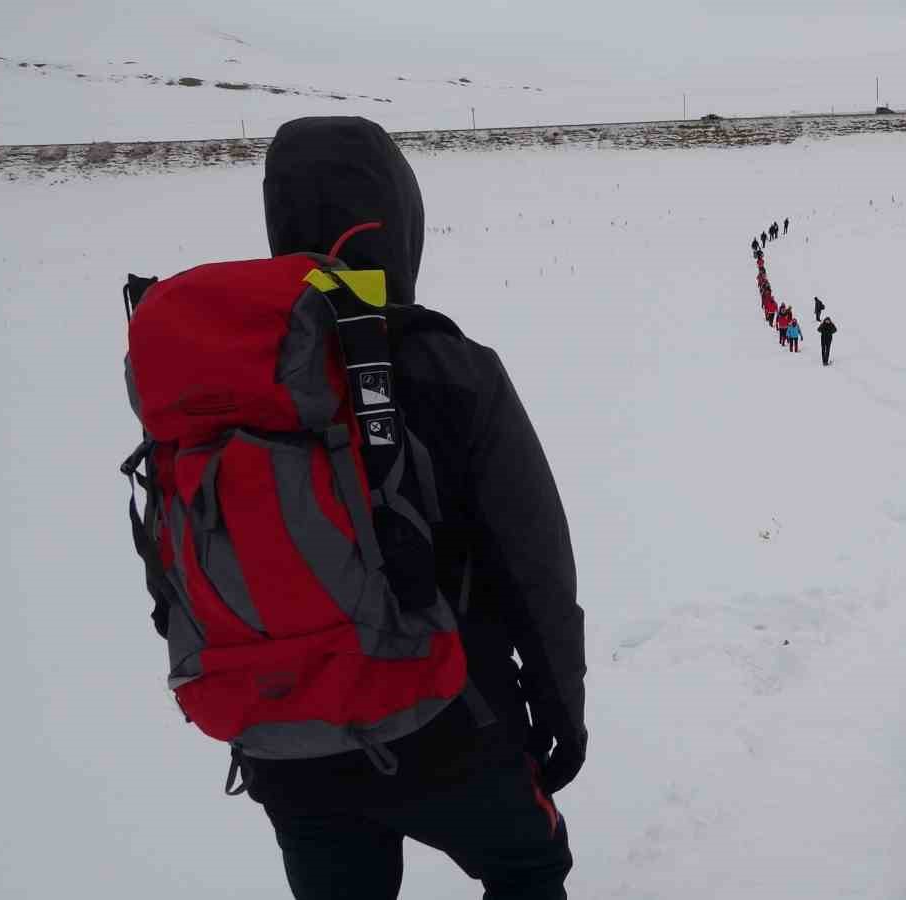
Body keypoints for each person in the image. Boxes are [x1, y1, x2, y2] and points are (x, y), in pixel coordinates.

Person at [253, 116, 587, 900]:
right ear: (401, 226)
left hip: (287, 741)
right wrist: (560, 713)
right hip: (451, 724)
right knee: (527, 869)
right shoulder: (451, 369)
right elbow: (533, 561)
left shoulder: (232, 376)